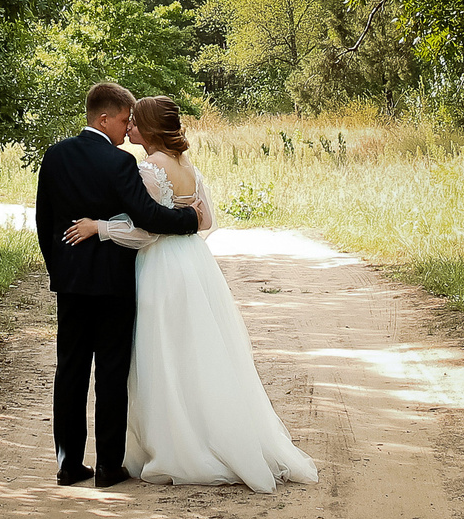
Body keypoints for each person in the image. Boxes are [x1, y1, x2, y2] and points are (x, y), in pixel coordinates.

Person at [61, 95, 318, 492]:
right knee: (194, 351)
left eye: (135, 123)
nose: (129, 128)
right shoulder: (187, 167)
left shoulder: (149, 168)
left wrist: (100, 227)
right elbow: (205, 219)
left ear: (148, 129)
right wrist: (183, 218)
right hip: (193, 263)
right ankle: (206, 433)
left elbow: (145, 230)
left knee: (161, 353)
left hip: (160, 267)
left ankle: (176, 445)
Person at [35, 82, 202, 487]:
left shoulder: (55, 156)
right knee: (111, 372)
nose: (127, 128)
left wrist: (59, 270)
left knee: (70, 370)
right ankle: (109, 466)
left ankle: (68, 464)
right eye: (124, 120)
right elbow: (149, 217)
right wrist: (190, 219)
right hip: (113, 283)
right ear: (104, 118)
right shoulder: (120, 163)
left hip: (72, 284)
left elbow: (44, 221)